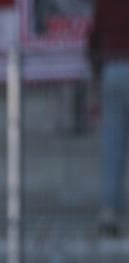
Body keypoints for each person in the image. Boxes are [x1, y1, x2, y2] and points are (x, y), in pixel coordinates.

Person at [89, 0, 129, 237]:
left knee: (112, 146)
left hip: (113, 68)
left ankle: (109, 211)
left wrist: (95, 70)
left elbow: (94, 34)